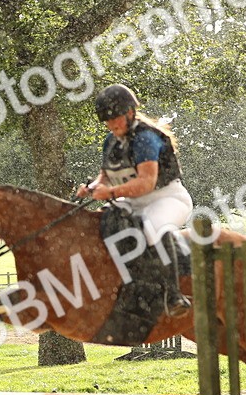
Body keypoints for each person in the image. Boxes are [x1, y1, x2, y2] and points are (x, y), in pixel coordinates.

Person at [77, 84, 193, 318]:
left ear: (130, 113)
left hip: (167, 198)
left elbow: (146, 183)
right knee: (101, 225)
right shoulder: (111, 141)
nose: (112, 125)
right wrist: (91, 188)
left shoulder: (145, 138)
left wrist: (109, 193)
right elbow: (106, 177)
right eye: (107, 122)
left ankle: (173, 296)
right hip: (133, 201)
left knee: (150, 229)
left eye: (116, 119)